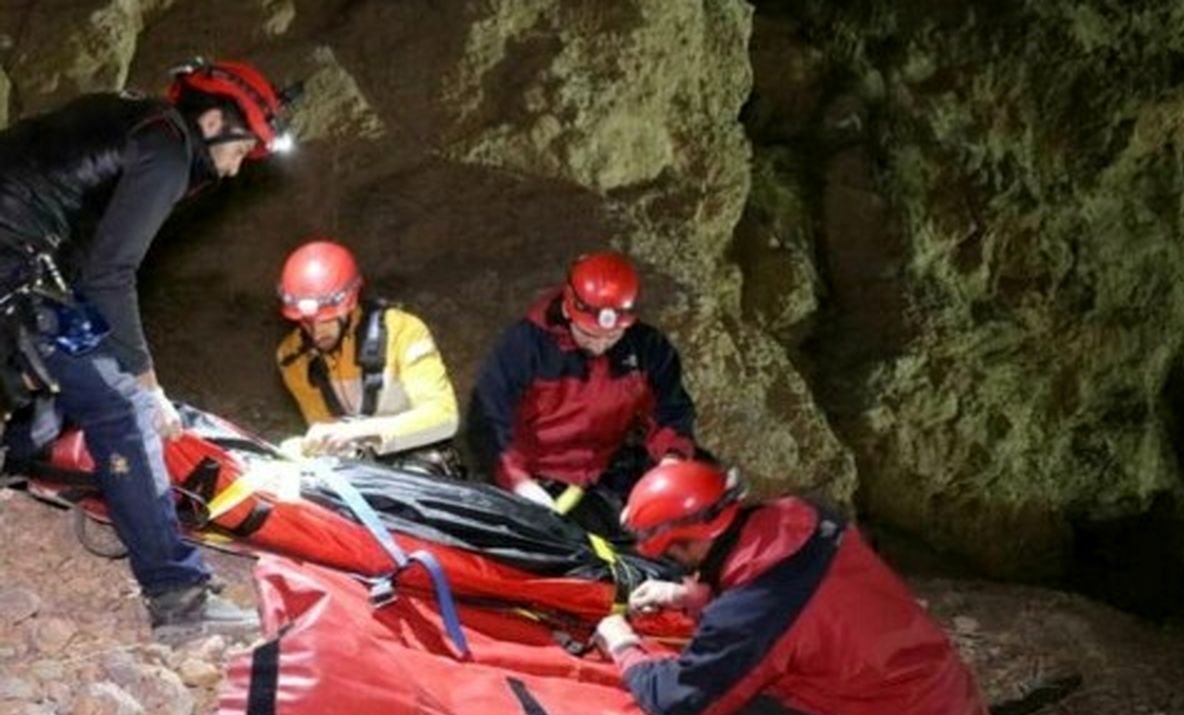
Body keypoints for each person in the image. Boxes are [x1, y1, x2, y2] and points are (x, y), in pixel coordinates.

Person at [0, 57, 297, 632]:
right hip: (12, 261)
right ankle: (178, 595)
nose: (234, 172)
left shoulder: (135, 119)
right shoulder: (165, 148)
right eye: (240, 152)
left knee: (69, 369)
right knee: (122, 408)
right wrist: (147, 382)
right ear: (212, 123)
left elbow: (83, 262)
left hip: (20, 256)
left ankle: (17, 464)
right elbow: (112, 274)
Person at [594, 460, 994, 715]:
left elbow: (679, 701)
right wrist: (690, 596)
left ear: (687, 542)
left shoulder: (751, 617)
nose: (674, 562)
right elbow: (791, 597)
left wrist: (624, 644)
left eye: (672, 554)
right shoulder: (809, 519)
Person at [467, 250, 697, 540]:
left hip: (604, 472)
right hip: (537, 474)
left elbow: (670, 411)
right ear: (567, 309)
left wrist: (670, 467)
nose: (600, 346)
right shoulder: (525, 347)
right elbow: (488, 418)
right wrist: (518, 483)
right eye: (589, 335)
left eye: (611, 337)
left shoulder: (648, 349)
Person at [274, 240, 461, 475]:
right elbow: (325, 431)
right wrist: (308, 447)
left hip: (416, 460)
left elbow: (444, 418)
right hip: (359, 468)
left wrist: (359, 432)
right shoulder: (294, 357)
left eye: (327, 320)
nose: (318, 332)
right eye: (306, 322)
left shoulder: (402, 332)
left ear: (350, 305)